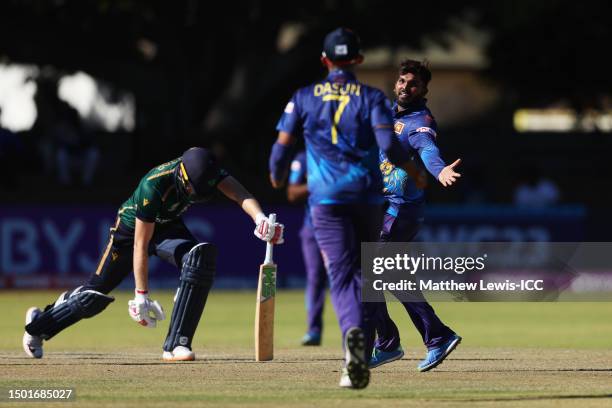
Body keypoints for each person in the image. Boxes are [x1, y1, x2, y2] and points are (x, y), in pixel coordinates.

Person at [23, 147, 284, 361]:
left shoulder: (207, 170)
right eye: (194, 190)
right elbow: (141, 245)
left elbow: (239, 193)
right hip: (129, 232)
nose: (198, 195)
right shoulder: (153, 185)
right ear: (182, 178)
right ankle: (38, 326)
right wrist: (141, 296)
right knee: (93, 297)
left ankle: (176, 344)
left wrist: (259, 219)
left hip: (167, 226)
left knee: (199, 258)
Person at [269, 28, 419, 389]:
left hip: (326, 200)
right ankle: (362, 351)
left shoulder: (304, 97)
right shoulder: (372, 98)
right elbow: (390, 147)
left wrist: (276, 176)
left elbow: (280, 148)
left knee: (341, 275)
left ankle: (353, 342)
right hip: (367, 198)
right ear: (359, 60)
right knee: (365, 275)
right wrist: (414, 170)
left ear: (324, 60)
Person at [370, 59, 462, 372]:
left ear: (424, 90)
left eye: (413, 84)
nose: (405, 87)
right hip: (387, 208)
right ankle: (429, 337)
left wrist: (440, 172)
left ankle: (395, 342)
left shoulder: (420, 122)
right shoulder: (388, 113)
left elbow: (428, 150)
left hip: (401, 210)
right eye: (402, 81)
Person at [287, 151, 327, 346]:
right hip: (312, 230)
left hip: (346, 226)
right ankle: (314, 330)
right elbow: (292, 192)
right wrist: (321, 182)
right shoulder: (303, 159)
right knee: (315, 277)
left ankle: (361, 329)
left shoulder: (345, 151)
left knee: (349, 276)